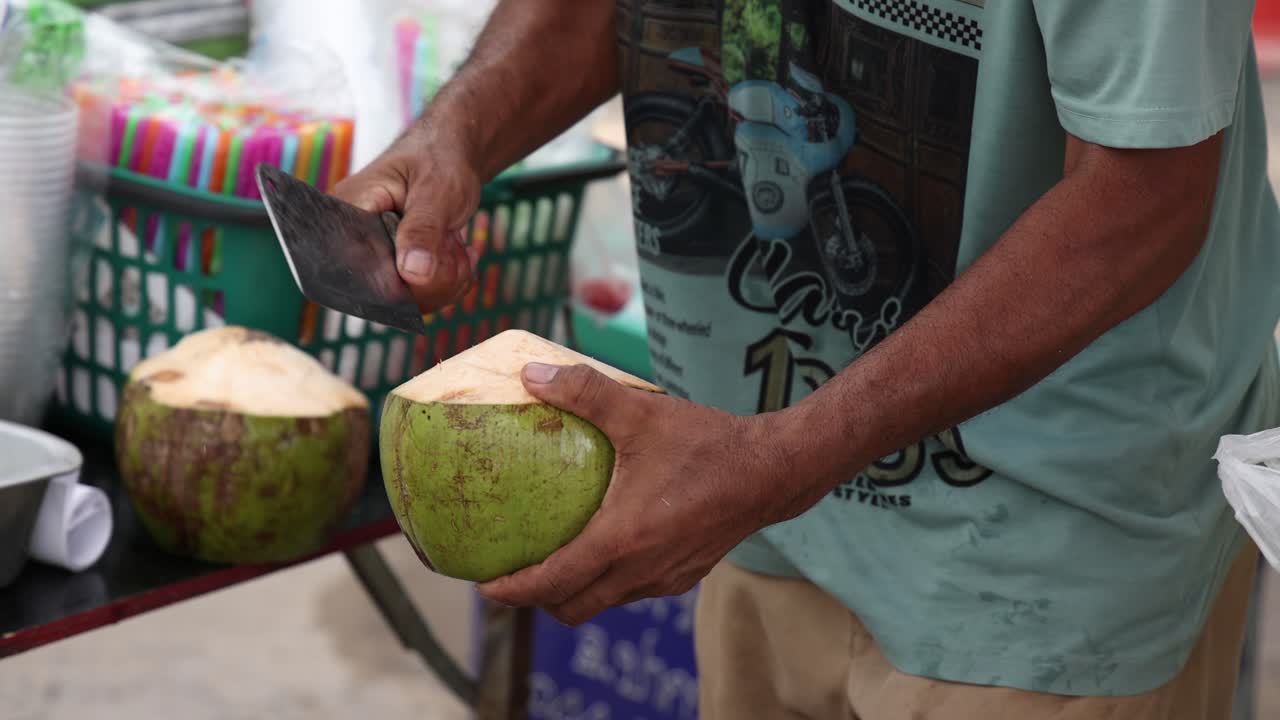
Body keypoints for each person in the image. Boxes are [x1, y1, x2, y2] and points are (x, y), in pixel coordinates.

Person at [335, 1, 1280, 717]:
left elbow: (1143, 201)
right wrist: (459, 128)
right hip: (754, 473)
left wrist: (783, 460)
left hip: (1042, 549)